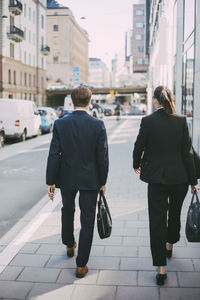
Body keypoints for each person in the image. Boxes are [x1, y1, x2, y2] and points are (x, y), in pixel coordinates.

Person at [133, 86, 199, 286]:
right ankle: (170, 243)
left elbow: (139, 145)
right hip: (179, 178)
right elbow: (187, 152)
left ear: (155, 101)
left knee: (157, 220)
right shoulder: (181, 121)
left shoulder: (148, 121)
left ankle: (160, 268)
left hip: (156, 179)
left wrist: (136, 164)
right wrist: (193, 182)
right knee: (174, 213)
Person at [46, 86, 109, 278]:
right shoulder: (97, 125)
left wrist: (50, 181)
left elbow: (54, 154)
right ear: (90, 102)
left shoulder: (60, 124)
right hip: (90, 179)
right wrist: (103, 181)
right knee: (87, 218)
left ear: (72, 102)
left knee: (67, 209)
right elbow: (103, 157)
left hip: (66, 177)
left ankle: (68, 243)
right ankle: (81, 265)